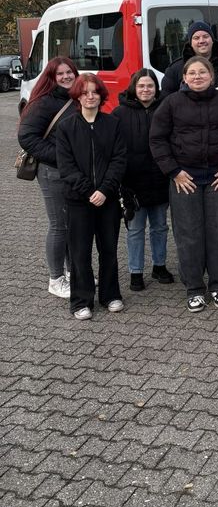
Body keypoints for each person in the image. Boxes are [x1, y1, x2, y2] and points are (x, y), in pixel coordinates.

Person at [150, 57, 218, 312]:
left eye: (202, 72)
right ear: (184, 78)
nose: (197, 77)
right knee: (188, 234)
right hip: (185, 179)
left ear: (212, 76)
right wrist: (174, 172)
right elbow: (157, 139)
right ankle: (194, 287)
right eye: (192, 73)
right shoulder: (171, 103)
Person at [56, 74, 127, 320]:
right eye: (84, 92)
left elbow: (119, 160)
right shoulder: (66, 127)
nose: (90, 96)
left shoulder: (113, 123)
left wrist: (105, 190)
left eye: (94, 92)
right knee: (80, 252)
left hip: (107, 199)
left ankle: (110, 295)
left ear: (101, 95)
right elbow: (66, 166)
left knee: (108, 249)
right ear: (77, 96)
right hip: (78, 200)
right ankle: (81, 300)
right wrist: (88, 191)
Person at [18, 57, 79, 298]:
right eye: (60, 74)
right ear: (51, 78)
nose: (66, 77)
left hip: (72, 172)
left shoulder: (75, 98)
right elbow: (27, 137)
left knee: (72, 225)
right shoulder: (43, 103)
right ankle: (56, 279)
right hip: (52, 172)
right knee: (58, 226)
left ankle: (74, 273)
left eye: (69, 72)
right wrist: (60, 157)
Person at [112, 69, 173, 292]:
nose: (146, 90)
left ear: (156, 88)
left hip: (159, 178)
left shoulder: (166, 109)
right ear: (133, 88)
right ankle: (135, 272)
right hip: (132, 183)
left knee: (160, 227)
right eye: (141, 86)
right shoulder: (119, 113)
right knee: (135, 230)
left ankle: (159, 266)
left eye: (150, 86)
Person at [160, 21, 218, 97]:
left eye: (206, 36)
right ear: (190, 43)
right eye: (196, 38)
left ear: (212, 40)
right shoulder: (175, 70)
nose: (201, 41)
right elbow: (166, 100)